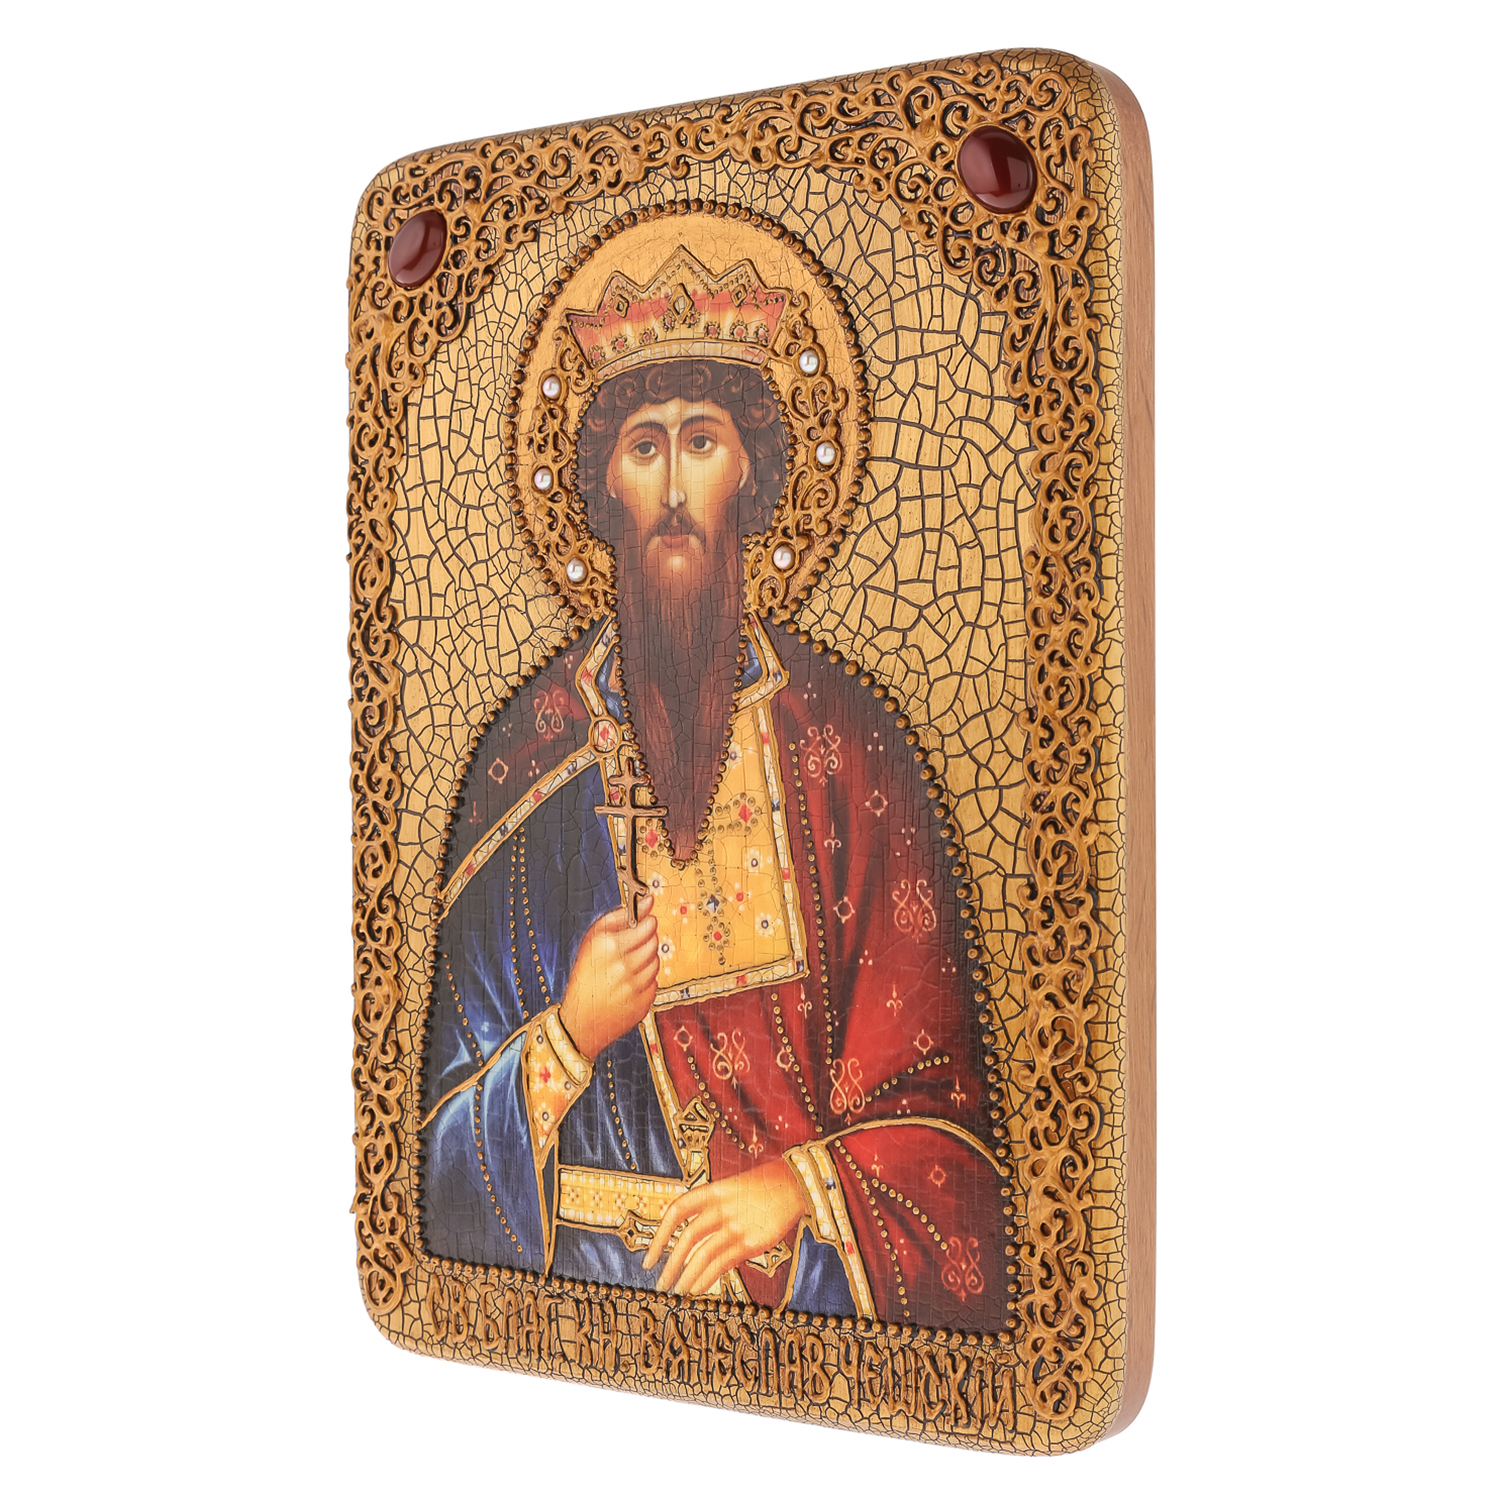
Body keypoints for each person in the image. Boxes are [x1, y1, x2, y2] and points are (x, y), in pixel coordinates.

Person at [420, 258, 1008, 1328]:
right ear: (606, 486)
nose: (677, 492)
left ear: (751, 471)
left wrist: (796, 1188)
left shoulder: (844, 742)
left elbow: (951, 1123)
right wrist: (568, 1037)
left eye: (703, 441)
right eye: (645, 448)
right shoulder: (529, 755)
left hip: (805, 1302)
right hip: (577, 1308)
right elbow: (428, 1147)